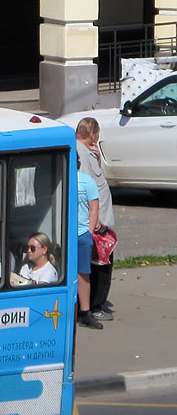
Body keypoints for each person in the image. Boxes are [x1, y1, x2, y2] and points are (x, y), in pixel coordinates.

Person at [75, 117, 116, 322]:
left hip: (96, 220)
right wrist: (95, 220)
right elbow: (84, 188)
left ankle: (94, 303)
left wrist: (97, 159)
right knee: (99, 264)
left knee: (99, 262)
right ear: (92, 133)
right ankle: (94, 305)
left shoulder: (86, 152)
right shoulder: (80, 152)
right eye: (97, 134)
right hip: (94, 223)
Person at [76, 169, 102, 329]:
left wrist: (89, 233)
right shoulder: (59, 175)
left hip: (81, 234)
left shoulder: (86, 181)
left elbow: (94, 208)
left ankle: (85, 312)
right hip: (60, 233)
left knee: (83, 274)